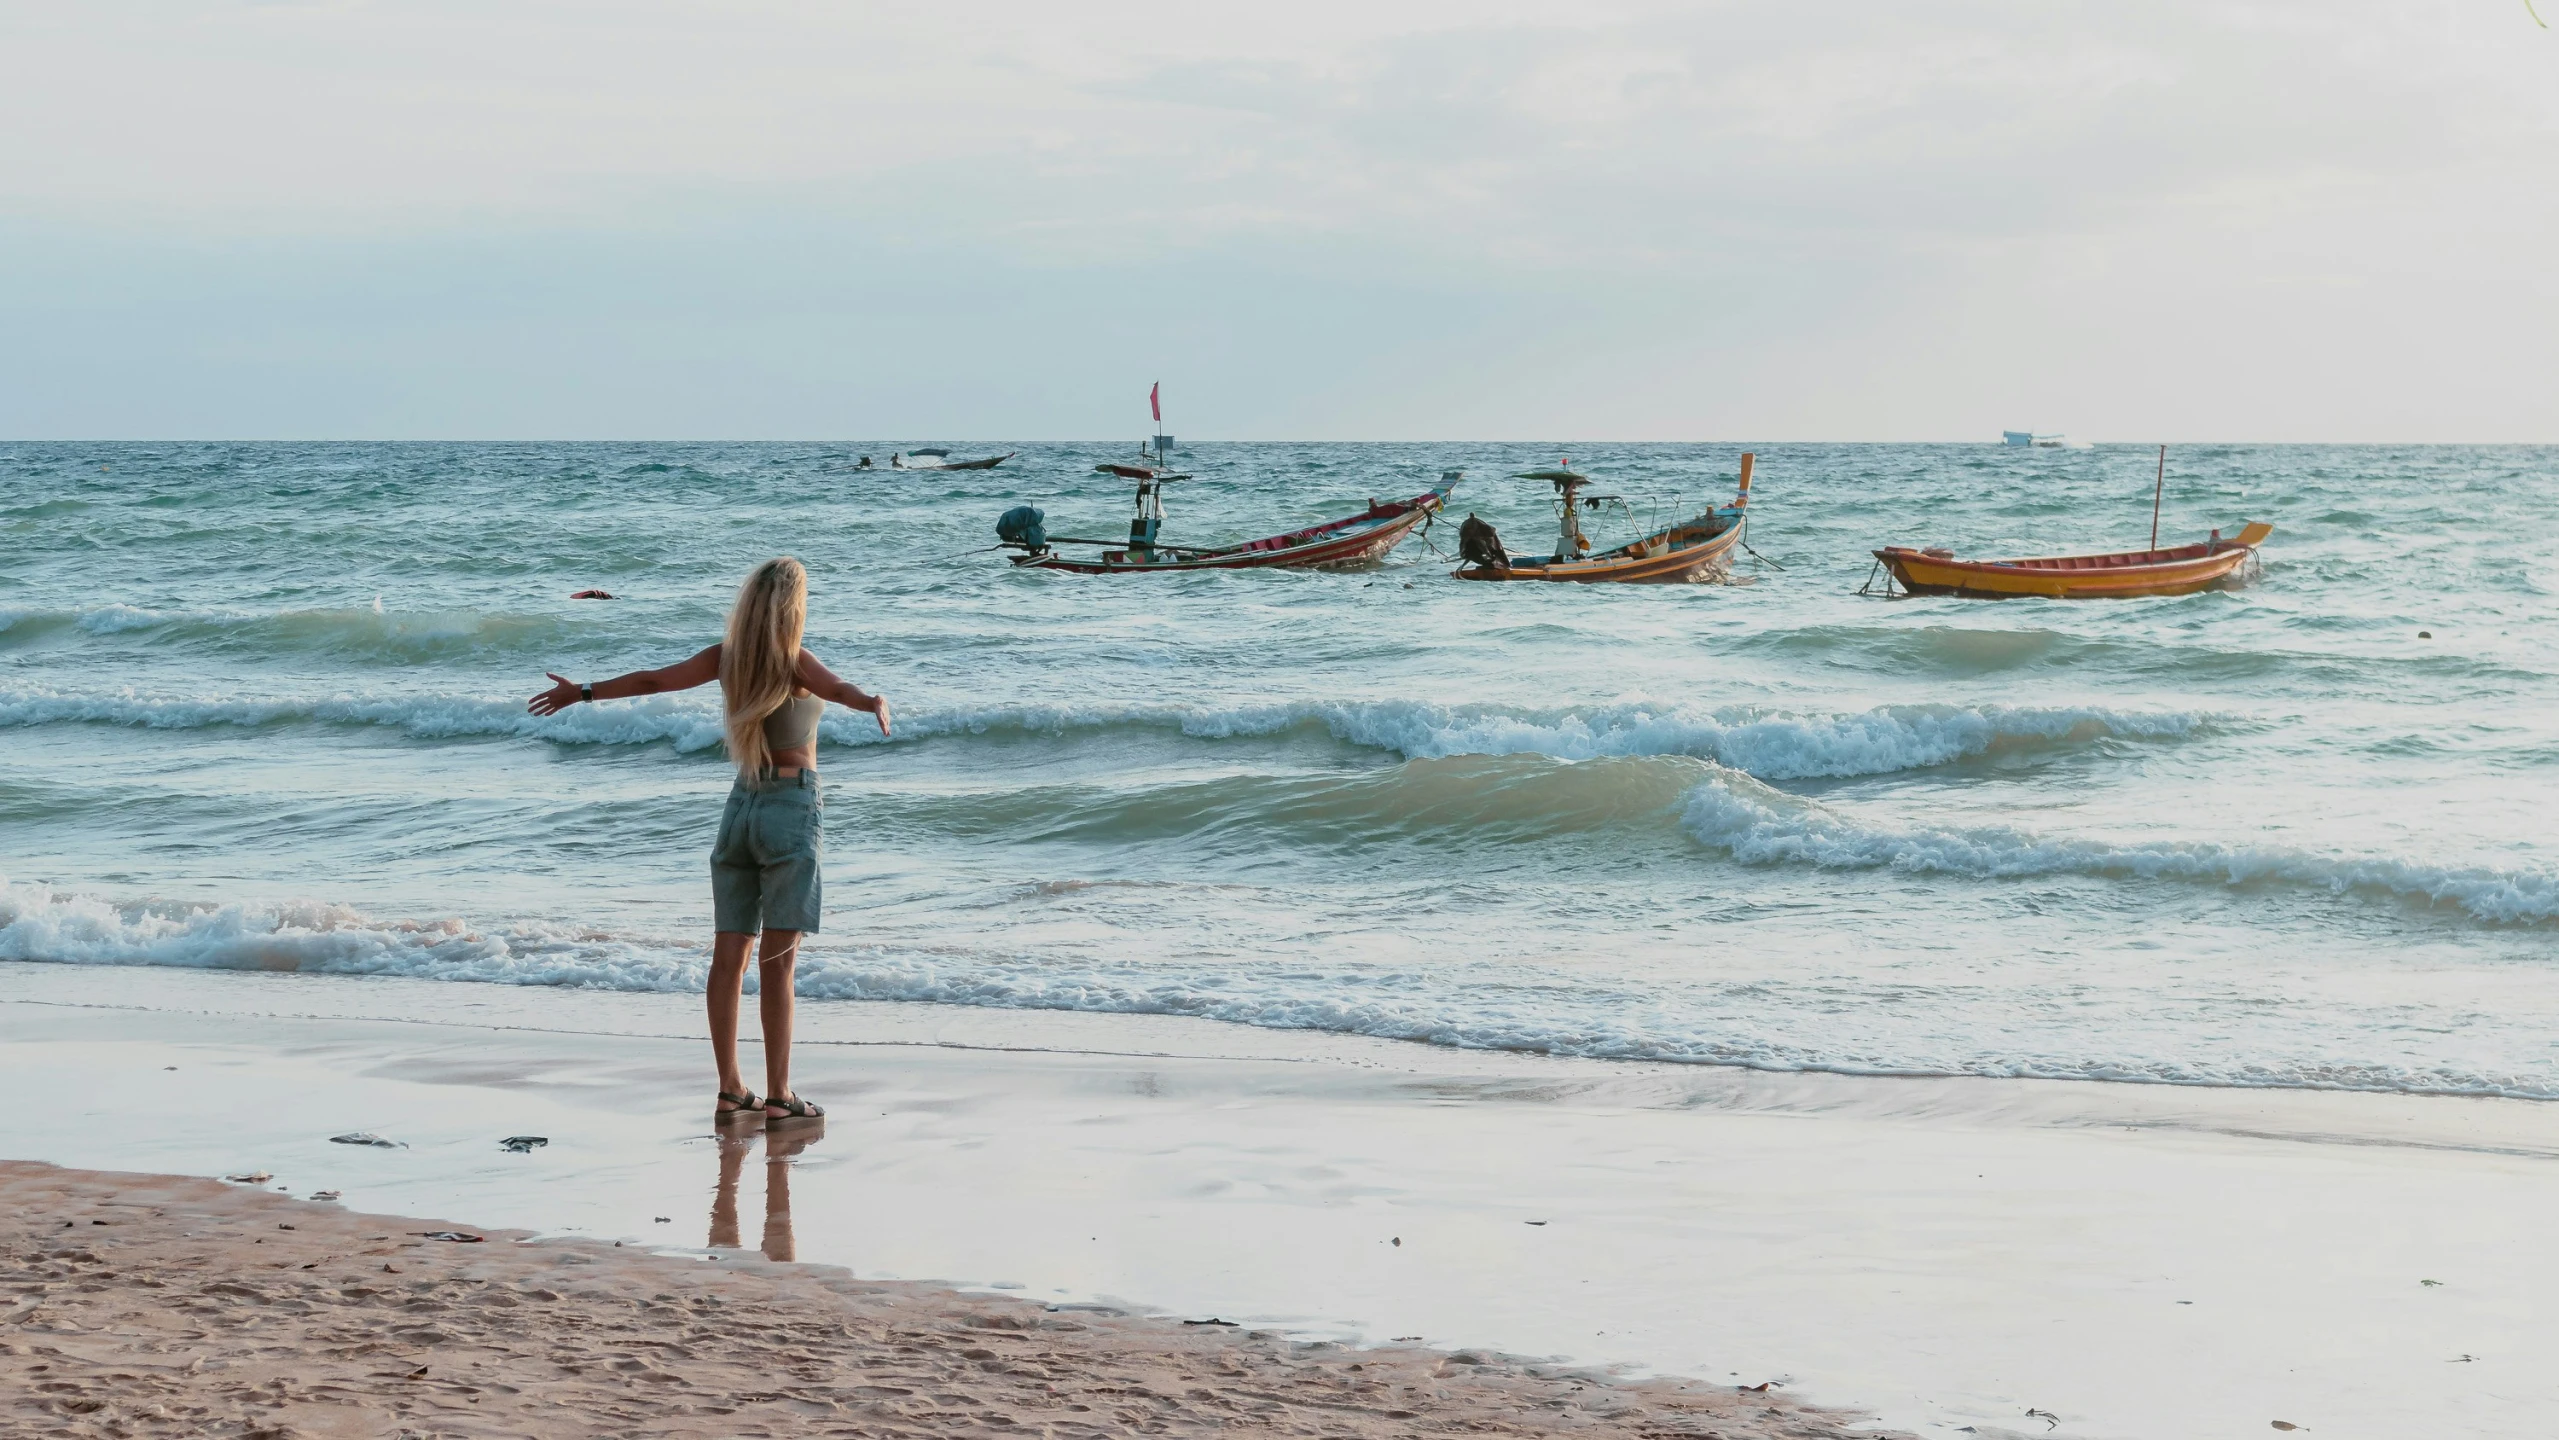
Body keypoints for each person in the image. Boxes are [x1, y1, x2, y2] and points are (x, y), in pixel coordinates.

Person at [526, 557, 890, 1128]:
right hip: (790, 809)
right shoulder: (794, 659)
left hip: (740, 807)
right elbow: (839, 689)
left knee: (729, 956)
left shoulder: (727, 660)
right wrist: (872, 702)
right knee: (778, 961)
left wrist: (585, 692)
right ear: (794, 606)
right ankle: (779, 1095)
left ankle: (729, 1089)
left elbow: (652, 680)